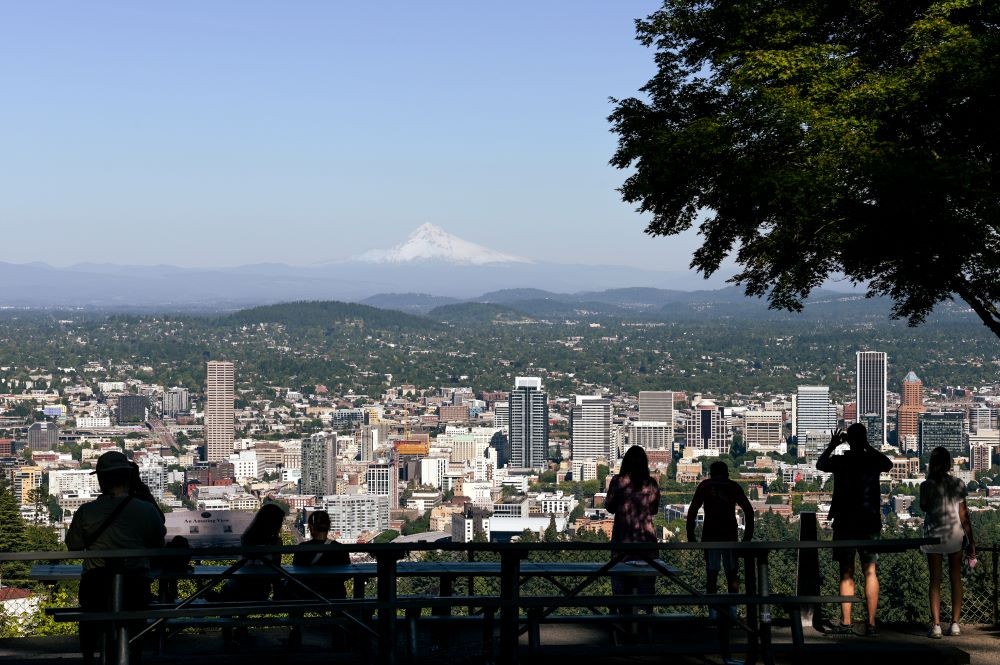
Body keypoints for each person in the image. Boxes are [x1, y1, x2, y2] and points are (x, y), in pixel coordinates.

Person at [66, 451, 166, 665]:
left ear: (101, 479)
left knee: (93, 623)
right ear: (129, 477)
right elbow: (157, 541)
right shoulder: (146, 510)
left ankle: (91, 656)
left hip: (96, 582)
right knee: (134, 629)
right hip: (136, 581)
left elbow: (73, 545)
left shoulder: (86, 512)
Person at [816, 423, 893, 636]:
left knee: (846, 572)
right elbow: (888, 464)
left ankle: (846, 622)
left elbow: (820, 464)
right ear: (865, 439)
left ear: (848, 439)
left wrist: (833, 445)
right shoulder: (872, 461)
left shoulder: (842, 461)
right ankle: (870, 623)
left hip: (845, 520)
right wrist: (868, 446)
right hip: (869, 521)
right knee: (870, 571)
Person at [920, 446, 975, 638]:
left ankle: (935, 625)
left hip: (934, 534)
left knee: (935, 580)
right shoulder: (958, 484)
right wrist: (971, 540)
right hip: (955, 534)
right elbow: (963, 515)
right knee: (955, 578)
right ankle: (954, 623)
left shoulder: (926, 485)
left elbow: (923, 506)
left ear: (932, 464)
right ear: (949, 463)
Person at [686, 461, 755, 598]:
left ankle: (713, 612)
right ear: (727, 473)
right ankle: (732, 611)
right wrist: (746, 538)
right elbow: (749, 511)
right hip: (729, 535)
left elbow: (692, 511)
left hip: (710, 535)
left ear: (711, 473)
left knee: (711, 575)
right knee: (732, 575)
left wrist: (691, 536)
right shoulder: (733, 486)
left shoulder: (705, 486)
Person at [284, 510, 351, 649]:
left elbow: (297, 571)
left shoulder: (303, 548)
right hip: (335, 594)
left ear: (311, 527)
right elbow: (347, 574)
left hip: (305, 594)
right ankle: (339, 640)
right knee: (339, 613)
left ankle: (296, 634)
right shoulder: (339, 548)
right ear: (328, 526)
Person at [606, 446, 661, 596]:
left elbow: (609, 507)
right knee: (646, 593)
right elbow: (654, 510)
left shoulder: (618, 481)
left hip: (622, 543)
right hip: (647, 544)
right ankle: (646, 617)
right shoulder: (651, 484)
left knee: (622, 592)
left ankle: (624, 617)